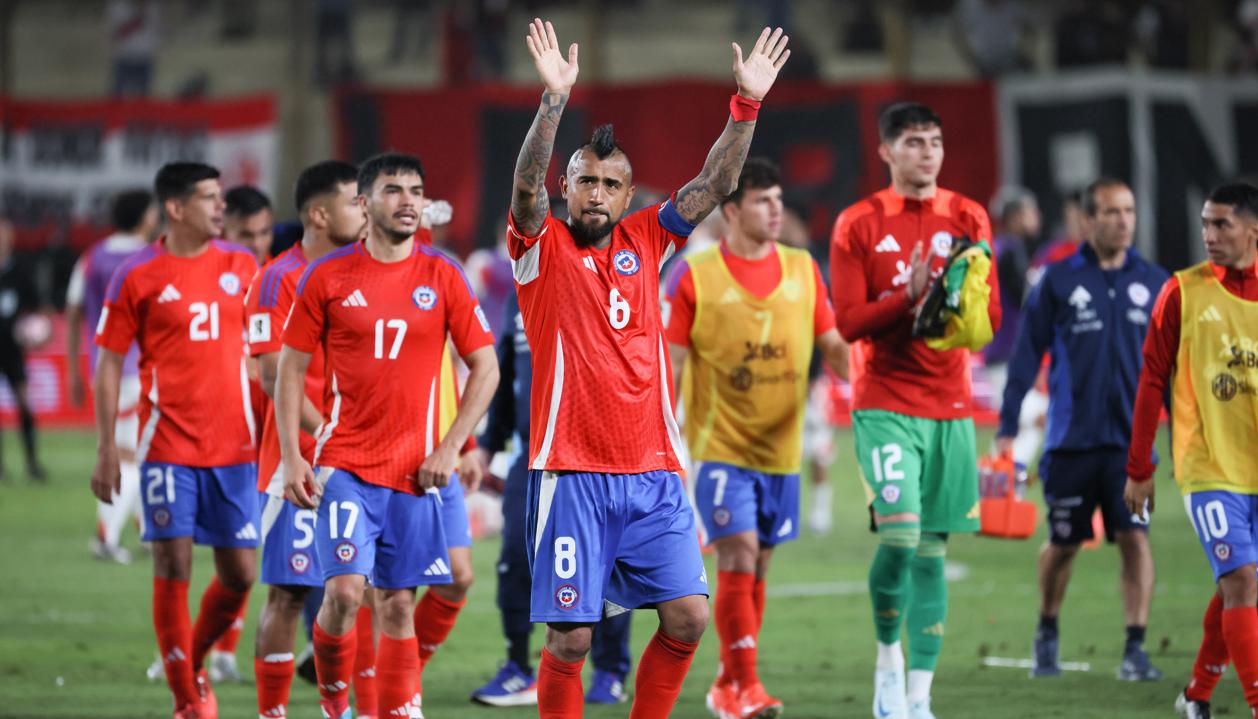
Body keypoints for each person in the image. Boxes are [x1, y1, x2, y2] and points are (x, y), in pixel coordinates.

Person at [505, 17, 789, 718]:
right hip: (572, 473)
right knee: (571, 638)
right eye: (585, 180)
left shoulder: (649, 238)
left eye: (610, 183)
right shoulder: (538, 250)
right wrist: (552, 104)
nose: (596, 192)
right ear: (567, 188)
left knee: (689, 618)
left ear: (627, 195)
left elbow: (717, 180)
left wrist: (746, 104)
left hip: (654, 471)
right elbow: (522, 190)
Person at [276, 152, 498, 719]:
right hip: (346, 463)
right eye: (394, 190)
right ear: (363, 203)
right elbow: (288, 371)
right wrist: (292, 457)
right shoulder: (326, 277)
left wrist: (453, 447)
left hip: (416, 472)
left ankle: (394, 709)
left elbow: (485, 367)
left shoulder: (444, 273)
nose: (408, 200)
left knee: (398, 603)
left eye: (416, 190)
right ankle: (334, 701)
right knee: (346, 594)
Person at [830, 101, 1001, 719]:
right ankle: (887, 664)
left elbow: (990, 321)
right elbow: (848, 324)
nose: (926, 152)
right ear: (886, 151)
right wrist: (908, 296)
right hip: (885, 401)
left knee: (932, 551)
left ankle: (919, 700)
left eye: (934, 141)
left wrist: (953, 305)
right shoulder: (858, 222)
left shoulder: (969, 215)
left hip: (950, 405)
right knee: (899, 537)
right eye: (912, 142)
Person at [664, 158, 849, 719]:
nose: (778, 211)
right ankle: (744, 685)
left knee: (760, 564)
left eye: (779, 200)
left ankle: (728, 679)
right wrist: (663, 443)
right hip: (720, 448)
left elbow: (834, 345)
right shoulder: (695, 277)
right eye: (764, 201)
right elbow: (669, 367)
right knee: (739, 553)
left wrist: (867, 374)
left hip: (782, 452)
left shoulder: (803, 268)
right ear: (731, 212)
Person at [91, 161, 260, 719]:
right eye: (211, 199)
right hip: (168, 447)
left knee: (240, 575)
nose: (221, 208)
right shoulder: (137, 275)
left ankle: (188, 663)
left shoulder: (242, 264)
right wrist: (105, 449)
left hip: (236, 448)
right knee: (173, 568)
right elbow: (110, 362)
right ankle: (188, 701)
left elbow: (267, 356)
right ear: (176, 207)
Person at [996, 177, 1168, 681]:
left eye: (1129, 211)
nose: (1123, 220)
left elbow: (1175, 364)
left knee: (1136, 539)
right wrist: (1008, 425)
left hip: (1131, 446)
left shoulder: (1157, 283)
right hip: (1070, 440)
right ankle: (1047, 629)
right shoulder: (1058, 280)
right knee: (1064, 543)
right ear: (1088, 221)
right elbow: (1026, 357)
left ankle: (1135, 648)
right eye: (1112, 212)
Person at [1123, 182, 1258, 719]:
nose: (1209, 234)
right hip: (1209, 468)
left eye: (1222, 224)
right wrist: (1140, 467)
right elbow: (1151, 379)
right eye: (1205, 223)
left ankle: (1197, 694)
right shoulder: (1182, 291)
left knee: (1239, 586)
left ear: (1253, 230)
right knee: (1242, 580)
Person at [469, 290, 636, 707]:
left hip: (596, 455)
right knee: (514, 559)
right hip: (533, 455)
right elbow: (508, 374)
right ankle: (517, 667)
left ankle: (610, 669)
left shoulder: (604, 287)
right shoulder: (519, 296)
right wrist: (490, 442)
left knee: (605, 566)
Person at [245, 160, 366, 719]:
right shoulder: (277, 278)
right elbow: (273, 377)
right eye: (354, 200)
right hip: (292, 462)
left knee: (360, 594)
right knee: (288, 592)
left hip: (358, 461)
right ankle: (273, 712)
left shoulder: (361, 270)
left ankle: (346, 707)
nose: (364, 209)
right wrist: (331, 432)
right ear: (319, 214)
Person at [67, 189, 158, 561]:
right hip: (141, 370)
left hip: (103, 368)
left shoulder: (91, 258)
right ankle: (106, 537)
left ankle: (149, 531)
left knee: (139, 450)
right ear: (144, 217)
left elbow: (73, 312)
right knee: (133, 455)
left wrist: (74, 367)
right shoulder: (151, 258)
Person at [0, 219, 46, 483]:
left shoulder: (20, 270)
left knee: (24, 405)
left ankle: (31, 463)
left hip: (13, 349)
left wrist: (37, 333)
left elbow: (39, 309)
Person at [984, 185, 1040, 402]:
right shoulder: (1010, 251)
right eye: (1029, 211)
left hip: (999, 352)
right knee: (1036, 418)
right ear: (1014, 217)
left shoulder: (996, 247)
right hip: (1006, 354)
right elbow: (1026, 300)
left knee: (1022, 429)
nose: (1036, 216)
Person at [224, 186, 275, 265]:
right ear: (222, 233)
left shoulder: (282, 274)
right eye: (246, 235)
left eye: (264, 232)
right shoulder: (205, 273)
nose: (257, 245)